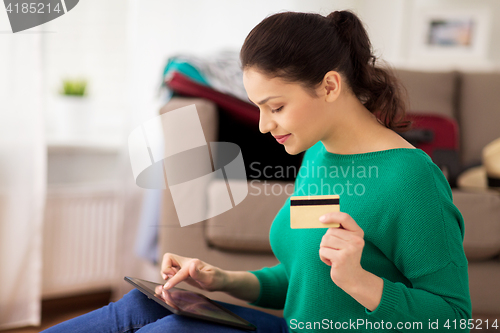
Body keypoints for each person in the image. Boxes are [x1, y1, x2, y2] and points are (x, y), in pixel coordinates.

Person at [42, 10, 471, 333]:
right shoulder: (319, 155)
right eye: (260, 108)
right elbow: (303, 277)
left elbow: (454, 317)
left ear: (330, 86)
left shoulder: (411, 180)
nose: (265, 125)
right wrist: (222, 279)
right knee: (138, 306)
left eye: (277, 107)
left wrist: (360, 282)